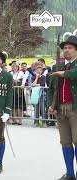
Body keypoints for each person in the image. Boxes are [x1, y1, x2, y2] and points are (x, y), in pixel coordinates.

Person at [48, 35, 77, 180]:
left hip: (75, 109)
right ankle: (70, 174)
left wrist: (63, 74)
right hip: (61, 109)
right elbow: (52, 88)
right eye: (65, 48)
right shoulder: (57, 66)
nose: (66, 50)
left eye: (70, 47)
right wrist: (51, 104)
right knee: (65, 142)